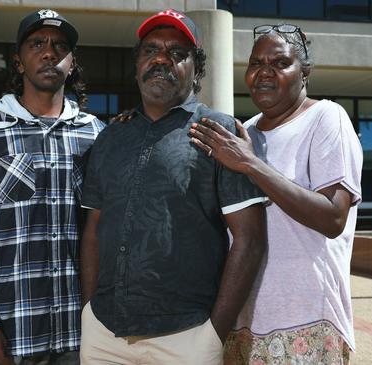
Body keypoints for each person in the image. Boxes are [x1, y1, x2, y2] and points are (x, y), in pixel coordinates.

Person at [78, 9, 268, 365]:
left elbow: (250, 239)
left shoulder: (219, 132)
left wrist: (214, 334)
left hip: (187, 337)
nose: (161, 59)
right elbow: (92, 232)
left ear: (196, 70)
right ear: (137, 65)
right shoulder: (111, 137)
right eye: (150, 50)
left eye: (178, 54)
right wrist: (89, 311)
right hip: (104, 335)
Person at [189, 23, 363, 364]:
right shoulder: (244, 132)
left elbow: (333, 217)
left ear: (305, 72)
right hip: (243, 320)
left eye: (280, 63)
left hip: (308, 320)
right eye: (256, 64)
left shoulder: (326, 118)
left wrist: (251, 164)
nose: (264, 73)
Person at [0, 9, 105, 365]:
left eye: (60, 46)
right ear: (18, 62)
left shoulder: (96, 135)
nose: (49, 53)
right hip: (6, 336)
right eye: (37, 44)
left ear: (72, 62)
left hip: (78, 336)